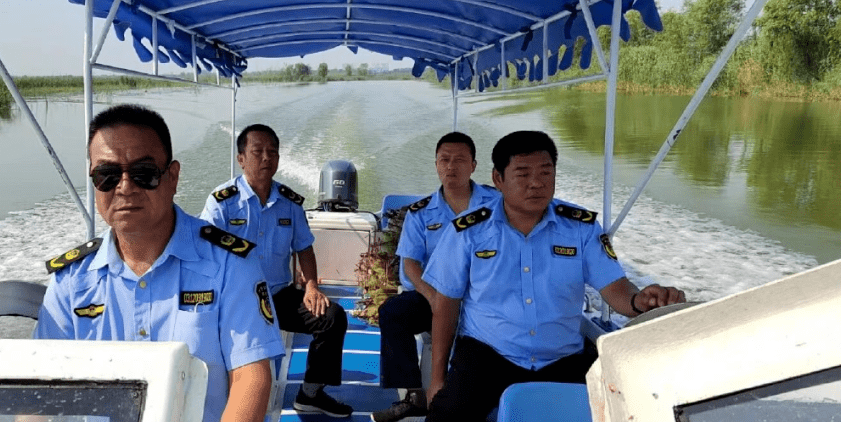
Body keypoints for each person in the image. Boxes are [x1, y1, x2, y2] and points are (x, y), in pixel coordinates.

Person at [35, 104, 285, 422]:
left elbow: (250, 378)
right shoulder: (70, 281)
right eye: (107, 176)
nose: (125, 187)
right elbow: (42, 391)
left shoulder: (231, 265)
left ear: (172, 177)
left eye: (144, 174)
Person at [422, 131, 686, 422]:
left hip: (563, 358)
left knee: (624, 411)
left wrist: (641, 301)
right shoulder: (468, 231)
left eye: (545, 173)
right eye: (523, 174)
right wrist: (437, 378)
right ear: (498, 179)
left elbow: (616, 290)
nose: (536, 183)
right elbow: (446, 305)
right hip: (489, 356)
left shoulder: (581, 228)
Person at [201, 124, 353, 418]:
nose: (266, 158)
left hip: (277, 295)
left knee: (332, 317)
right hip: (234, 299)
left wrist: (311, 287)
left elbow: (304, 249)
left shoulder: (289, 203)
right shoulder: (221, 202)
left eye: (272, 152)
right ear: (241, 158)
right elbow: (206, 253)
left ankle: (310, 393)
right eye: (257, 152)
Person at [371, 132, 499, 422]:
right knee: (393, 312)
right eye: (445, 160)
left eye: (459, 160)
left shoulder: (497, 204)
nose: (451, 167)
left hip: (486, 295)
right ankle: (414, 394)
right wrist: (432, 297)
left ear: (473, 165)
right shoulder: (421, 213)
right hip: (435, 294)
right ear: (436, 165)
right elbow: (411, 265)